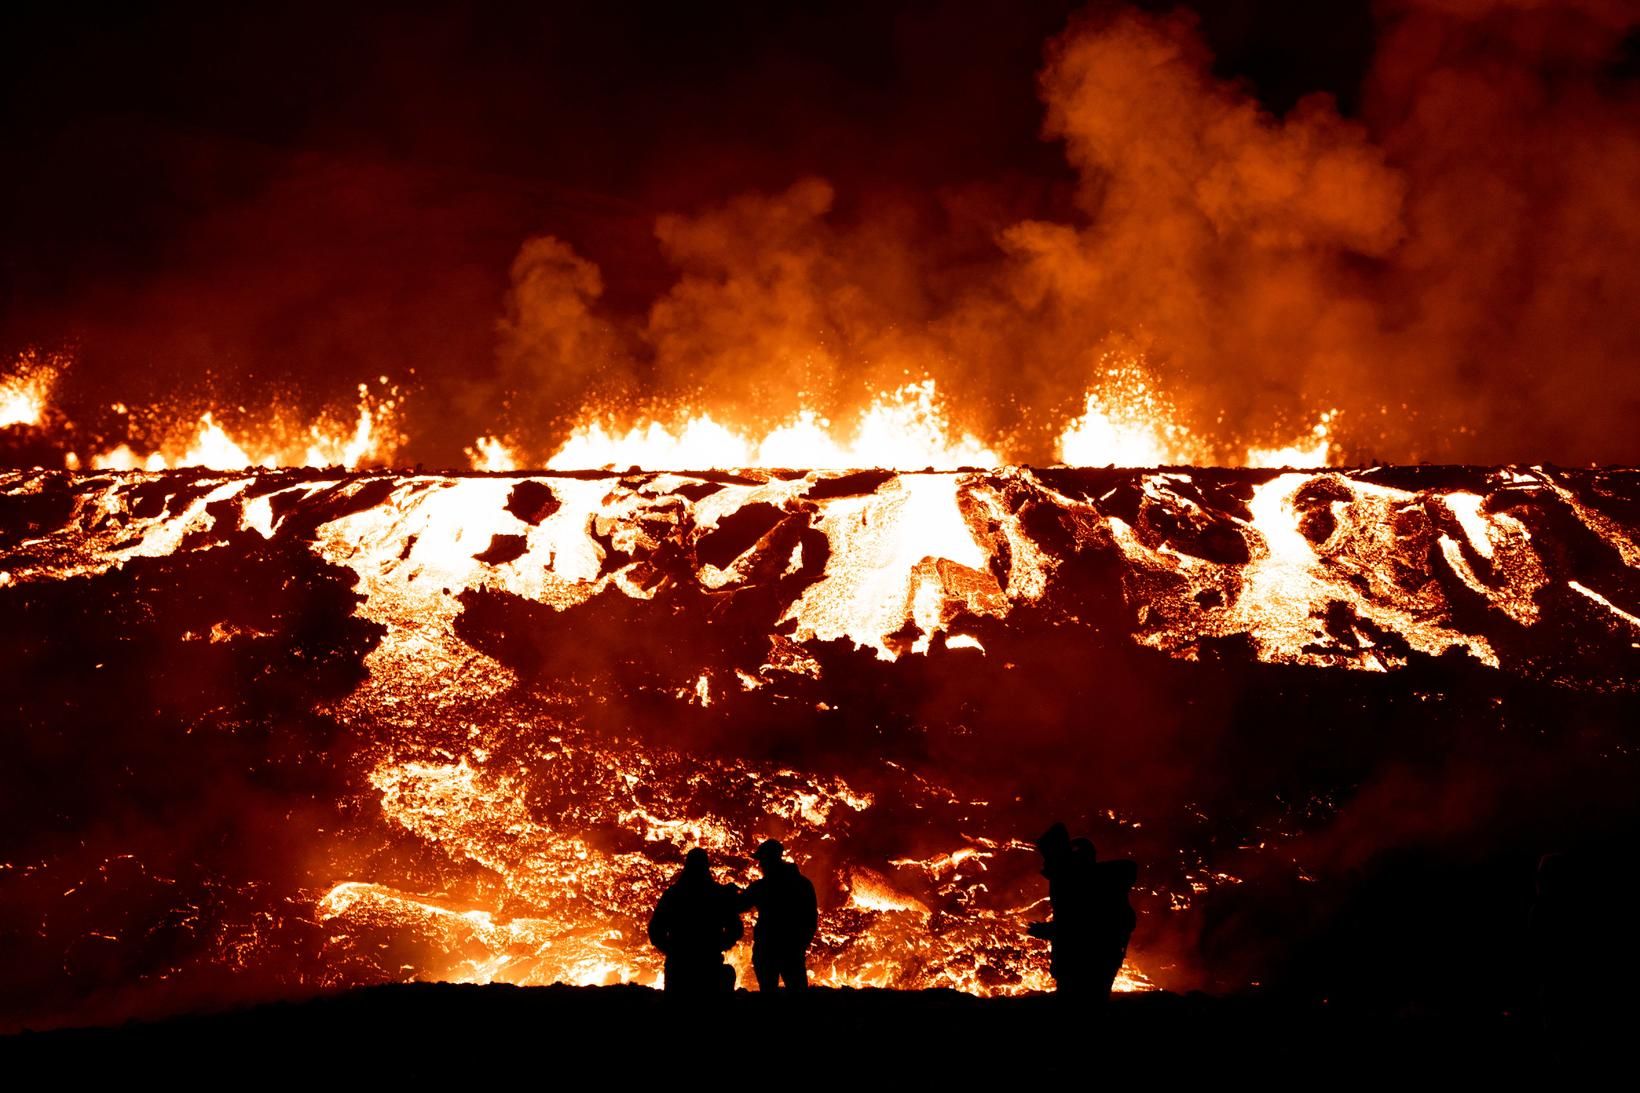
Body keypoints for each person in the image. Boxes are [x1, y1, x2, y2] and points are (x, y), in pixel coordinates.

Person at [1028, 823, 1136, 1002]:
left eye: (1047, 852)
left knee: (1083, 1005)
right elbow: (1074, 919)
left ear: (1057, 851)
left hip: (1089, 962)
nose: (1044, 858)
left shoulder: (1076, 879)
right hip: (1086, 959)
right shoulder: (1068, 876)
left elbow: (1084, 924)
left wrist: (1050, 931)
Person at [648, 848, 743, 994]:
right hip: (709, 966)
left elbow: (655, 930)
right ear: (707, 867)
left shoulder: (673, 894)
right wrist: (718, 946)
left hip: (679, 969)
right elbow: (736, 929)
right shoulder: (718, 895)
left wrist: (672, 951)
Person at [738, 839, 818, 991]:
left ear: (769, 859)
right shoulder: (803, 884)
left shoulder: (763, 887)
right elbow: (811, 919)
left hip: (769, 948)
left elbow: (740, 904)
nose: (760, 865)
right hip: (793, 947)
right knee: (797, 993)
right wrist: (801, 943)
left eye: (762, 860)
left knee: (769, 996)